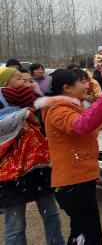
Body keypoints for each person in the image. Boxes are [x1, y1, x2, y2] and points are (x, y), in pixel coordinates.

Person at [35, 69, 102, 244]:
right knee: (90, 232)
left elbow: (87, 128)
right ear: (67, 88)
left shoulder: (72, 108)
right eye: (82, 81)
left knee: (80, 230)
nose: (88, 85)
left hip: (80, 179)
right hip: (72, 182)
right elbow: (81, 126)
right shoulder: (58, 111)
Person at [0, 67, 65, 245]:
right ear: (6, 84)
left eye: (28, 80)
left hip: (38, 168)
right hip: (12, 174)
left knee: (51, 213)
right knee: (15, 225)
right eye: (21, 79)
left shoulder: (29, 108)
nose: (27, 84)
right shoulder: (10, 101)